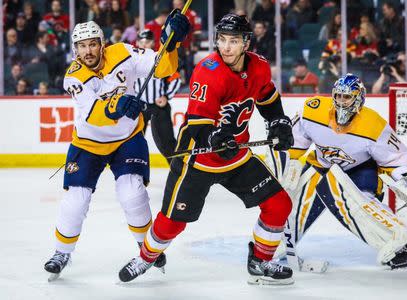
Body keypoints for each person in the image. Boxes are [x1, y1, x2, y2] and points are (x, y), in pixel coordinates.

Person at [117, 14, 295, 286]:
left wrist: (279, 122)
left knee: (279, 205)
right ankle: (145, 258)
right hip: (198, 158)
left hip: (237, 156)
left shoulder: (259, 66)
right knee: (172, 222)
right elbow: (199, 124)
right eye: (222, 39)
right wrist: (216, 138)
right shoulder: (208, 71)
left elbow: (267, 97)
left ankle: (260, 260)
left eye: (233, 41)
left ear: (246, 43)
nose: (226, 47)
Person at [43, 11, 190, 280]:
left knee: (132, 193)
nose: (88, 51)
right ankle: (62, 252)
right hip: (88, 143)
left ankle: (147, 248)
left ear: (102, 43)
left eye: (92, 44)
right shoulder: (73, 76)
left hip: (127, 139)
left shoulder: (123, 52)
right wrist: (118, 104)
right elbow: (91, 112)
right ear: (75, 50)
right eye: (82, 46)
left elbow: (162, 68)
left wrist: (171, 43)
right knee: (76, 201)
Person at [267, 74, 407, 271]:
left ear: (358, 98)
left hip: (360, 171)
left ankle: (399, 244)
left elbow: (396, 158)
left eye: (347, 97)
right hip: (322, 165)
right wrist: (285, 164)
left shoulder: (374, 125)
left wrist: (405, 179)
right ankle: (274, 242)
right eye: (338, 96)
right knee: (295, 197)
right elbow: (292, 143)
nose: (341, 101)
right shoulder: (312, 110)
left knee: (359, 206)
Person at [134, 29, 181, 164]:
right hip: (139, 107)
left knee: (167, 143)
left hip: (158, 107)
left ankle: (177, 171)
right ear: (136, 43)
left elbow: (175, 78)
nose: (144, 45)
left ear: (153, 43)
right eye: (141, 42)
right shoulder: (131, 60)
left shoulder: (160, 58)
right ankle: (134, 172)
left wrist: (166, 96)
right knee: (133, 142)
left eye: (147, 42)